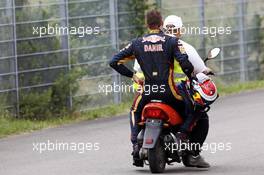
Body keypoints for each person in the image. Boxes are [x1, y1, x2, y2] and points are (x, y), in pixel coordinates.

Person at [109, 10, 195, 167]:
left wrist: (132, 75)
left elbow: (114, 62)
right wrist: (191, 76)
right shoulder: (171, 42)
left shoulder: (137, 43)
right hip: (169, 93)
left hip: (148, 93)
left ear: (147, 24)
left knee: (135, 111)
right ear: (161, 23)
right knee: (193, 107)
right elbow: (185, 64)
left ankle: (136, 146)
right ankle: (182, 135)